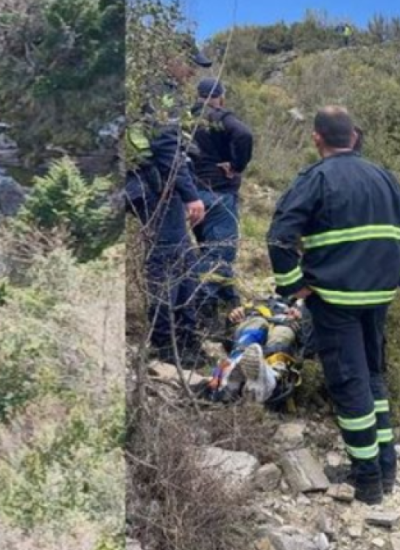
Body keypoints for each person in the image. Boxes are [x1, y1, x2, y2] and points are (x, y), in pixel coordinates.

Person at [267, 106, 400, 504]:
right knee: (373, 377)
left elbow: (279, 236)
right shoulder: (385, 177)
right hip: (378, 296)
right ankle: (386, 467)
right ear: (353, 137)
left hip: (335, 300)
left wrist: (294, 286)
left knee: (350, 384)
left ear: (317, 138)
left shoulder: (316, 178)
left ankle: (367, 479)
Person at [126, 40, 210, 366]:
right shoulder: (160, 92)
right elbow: (166, 148)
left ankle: (184, 335)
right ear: (170, 58)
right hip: (156, 188)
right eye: (189, 64)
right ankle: (168, 342)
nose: (192, 72)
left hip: (148, 185)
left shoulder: (148, 86)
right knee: (169, 263)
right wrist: (191, 195)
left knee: (184, 260)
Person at [189, 77, 254, 322]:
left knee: (207, 253)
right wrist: (237, 166)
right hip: (219, 195)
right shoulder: (219, 117)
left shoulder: (186, 118)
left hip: (193, 197)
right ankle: (199, 315)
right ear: (221, 98)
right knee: (219, 258)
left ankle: (222, 306)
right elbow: (244, 135)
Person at [201, 296, 313, 410]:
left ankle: (271, 377)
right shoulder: (267, 301)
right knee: (256, 323)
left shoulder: (311, 304)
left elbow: (311, 343)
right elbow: (229, 331)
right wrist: (235, 316)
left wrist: (301, 321)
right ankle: (235, 368)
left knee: (282, 332)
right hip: (255, 324)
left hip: (285, 332)